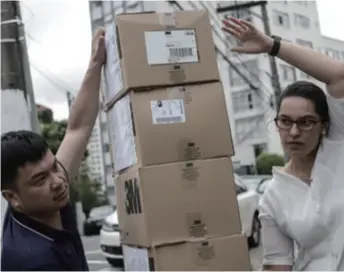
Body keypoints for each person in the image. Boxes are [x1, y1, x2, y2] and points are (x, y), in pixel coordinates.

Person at [222, 17, 344, 271]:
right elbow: (278, 265)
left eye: (307, 122)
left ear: (323, 125)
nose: (294, 132)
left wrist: (271, 45)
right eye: (285, 121)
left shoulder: (338, 145)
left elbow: (338, 75)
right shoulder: (273, 196)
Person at [1, 28, 106, 271]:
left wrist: (95, 63)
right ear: (13, 197)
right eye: (40, 179)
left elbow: (77, 129)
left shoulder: (44, 199)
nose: (58, 181)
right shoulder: (34, 260)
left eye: (54, 166)